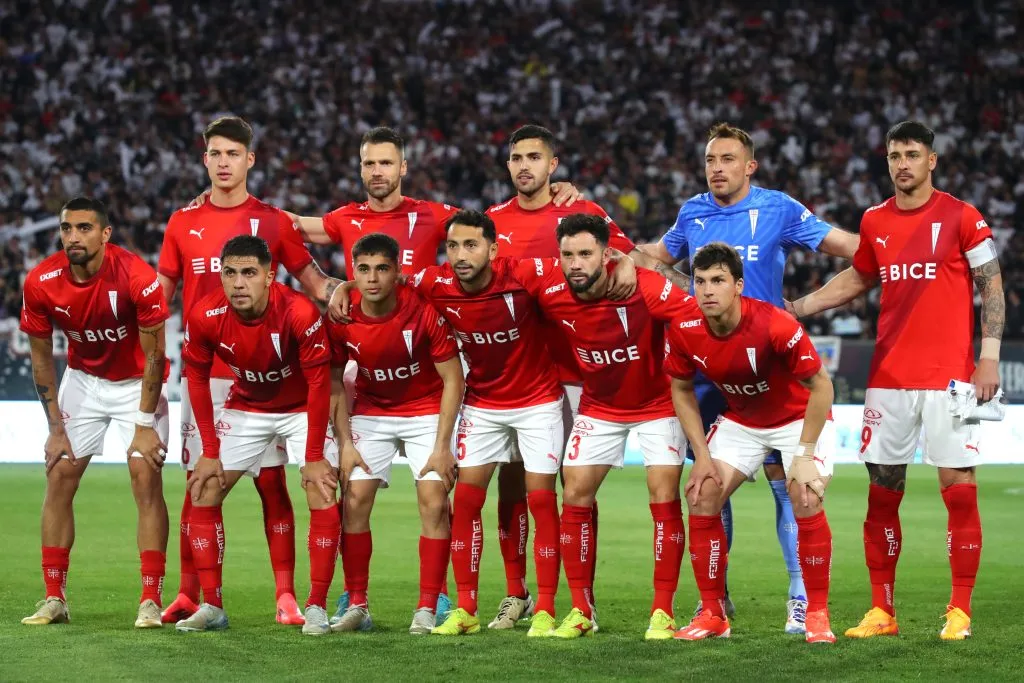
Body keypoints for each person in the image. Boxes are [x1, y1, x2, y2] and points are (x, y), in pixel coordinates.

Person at [283, 125, 580, 624]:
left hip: (448, 362)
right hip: (380, 374)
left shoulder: (435, 216)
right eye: (368, 164)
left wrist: (559, 194)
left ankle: (473, 595)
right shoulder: (344, 219)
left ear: (403, 167)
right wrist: (325, 281)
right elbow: (287, 227)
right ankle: (364, 598)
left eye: (385, 163)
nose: (376, 172)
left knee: (479, 489)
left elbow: (481, 230)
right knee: (405, 494)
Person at [638, 122, 859, 631]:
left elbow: (847, 247)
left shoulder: (777, 207)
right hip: (710, 369)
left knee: (792, 490)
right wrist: (602, 228)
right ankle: (717, 599)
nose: (717, 168)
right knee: (709, 480)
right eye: (711, 159)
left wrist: (806, 304)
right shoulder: (692, 211)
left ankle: (802, 599)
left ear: (749, 165)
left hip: (772, 362)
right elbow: (652, 258)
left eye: (728, 159)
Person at [790, 121, 1003, 641]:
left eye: (912, 154)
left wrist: (989, 355)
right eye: (893, 155)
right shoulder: (875, 220)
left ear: (932, 160)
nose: (901, 163)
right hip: (888, 379)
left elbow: (991, 283)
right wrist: (799, 307)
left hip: (952, 379)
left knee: (959, 490)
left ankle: (959, 610)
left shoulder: (961, 216)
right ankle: (882, 611)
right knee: (882, 495)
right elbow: (859, 277)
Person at [403, 209, 631, 637]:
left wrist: (629, 260)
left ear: (493, 248)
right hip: (483, 405)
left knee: (542, 502)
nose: (461, 255)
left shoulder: (524, 274)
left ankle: (544, 607)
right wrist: (343, 289)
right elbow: (388, 280)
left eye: (471, 245)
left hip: (538, 403)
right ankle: (466, 607)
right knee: (466, 502)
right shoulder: (435, 283)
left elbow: (595, 261)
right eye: (452, 246)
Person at [158, 116, 341, 626]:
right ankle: (192, 595)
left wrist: (345, 293)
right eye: (214, 153)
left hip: (274, 373)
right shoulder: (181, 221)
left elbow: (313, 281)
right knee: (200, 478)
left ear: (249, 160)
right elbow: (161, 297)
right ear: (204, 159)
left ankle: (287, 595)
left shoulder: (274, 221)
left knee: (272, 483)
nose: (223, 162)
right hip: (211, 370)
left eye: (232, 154)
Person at [482, 124, 655, 628]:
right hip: (517, 373)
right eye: (515, 157)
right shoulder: (494, 222)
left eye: (534, 156)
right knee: (513, 484)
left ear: (553, 165)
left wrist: (624, 262)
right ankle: (516, 594)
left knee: (576, 486)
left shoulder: (582, 215)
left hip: (578, 372)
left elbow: (631, 260)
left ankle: (583, 598)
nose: (523, 166)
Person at [514, 213, 699, 639]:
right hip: (599, 405)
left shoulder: (642, 286)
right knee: (575, 493)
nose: (575, 263)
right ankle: (581, 610)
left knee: (663, 495)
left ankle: (662, 611)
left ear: (607, 253)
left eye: (584, 253)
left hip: (657, 404)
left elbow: (693, 317)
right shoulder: (551, 292)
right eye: (567, 255)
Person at [665, 242, 837, 645]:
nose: (707, 290)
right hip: (743, 420)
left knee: (805, 496)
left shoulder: (775, 324)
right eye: (700, 281)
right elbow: (681, 389)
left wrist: (804, 455)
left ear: (738, 285)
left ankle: (816, 612)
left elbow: (822, 388)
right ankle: (713, 613)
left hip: (798, 417)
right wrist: (703, 457)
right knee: (702, 493)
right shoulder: (685, 328)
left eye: (718, 281)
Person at [173, 235, 338, 634]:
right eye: (230, 273)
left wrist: (314, 455)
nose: (238, 283)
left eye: (249, 273)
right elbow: (195, 377)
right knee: (204, 489)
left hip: (301, 408)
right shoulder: (205, 314)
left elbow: (319, 385)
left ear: (269, 275)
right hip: (248, 406)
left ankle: (315, 605)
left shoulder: (298, 311)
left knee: (321, 488)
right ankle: (212, 605)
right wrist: (209, 451)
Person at [20, 197, 171, 629]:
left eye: (84, 228)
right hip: (83, 381)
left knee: (145, 477)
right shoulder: (42, 281)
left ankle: (149, 600)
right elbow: (41, 359)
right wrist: (55, 428)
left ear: (105, 234)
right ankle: (54, 597)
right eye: (67, 228)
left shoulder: (137, 277)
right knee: (60, 474)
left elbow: (156, 357)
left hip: (137, 385)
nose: (73, 237)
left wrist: (144, 426)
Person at [326, 233, 464, 636]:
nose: (372, 278)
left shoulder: (421, 310)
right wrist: (346, 443)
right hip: (372, 411)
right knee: (354, 497)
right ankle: (356, 603)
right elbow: (335, 382)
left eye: (382, 269)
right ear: (352, 273)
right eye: (363, 270)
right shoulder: (341, 315)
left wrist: (442, 446)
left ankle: (428, 605)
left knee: (434, 499)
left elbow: (452, 379)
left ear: (397, 273)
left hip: (426, 410)